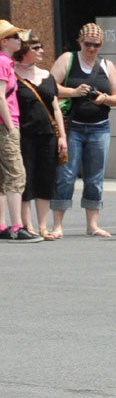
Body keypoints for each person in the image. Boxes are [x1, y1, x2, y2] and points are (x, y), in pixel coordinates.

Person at [49, 22, 116, 239]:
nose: (91, 49)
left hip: (100, 127)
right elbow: (49, 86)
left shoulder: (107, 65)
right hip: (73, 127)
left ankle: (92, 224)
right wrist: (74, 91)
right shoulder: (68, 59)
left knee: (95, 177)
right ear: (80, 42)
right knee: (65, 174)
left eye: (96, 45)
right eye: (88, 44)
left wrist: (105, 98)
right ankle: (57, 225)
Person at [13, 36, 65, 239]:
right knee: (26, 179)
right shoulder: (13, 75)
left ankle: (43, 226)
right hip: (24, 134)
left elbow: (55, 107)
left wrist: (62, 136)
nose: (42, 51)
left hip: (48, 135)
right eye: (36, 47)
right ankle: (29, 226)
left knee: (46, 178)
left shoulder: (47, 75)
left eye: (42, 47)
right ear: (25, 50)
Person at [0, 21, 29, 240]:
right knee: (16, 174)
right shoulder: (3, 62)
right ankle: (17, 226)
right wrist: (11, 127)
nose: (20, 40)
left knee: (4, 177)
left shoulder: (6, 62)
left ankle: (2, 226)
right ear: (4, 41)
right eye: (15, 37)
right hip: (6, 125)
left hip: (4, 124)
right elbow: (0, 96)